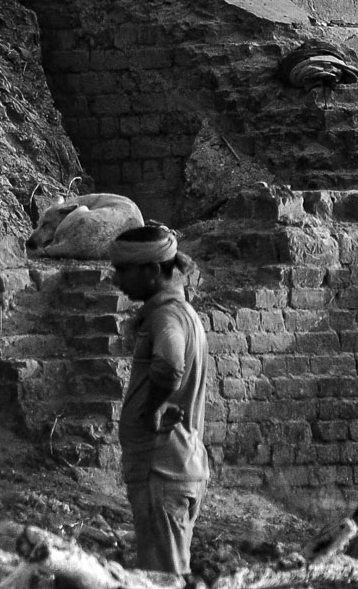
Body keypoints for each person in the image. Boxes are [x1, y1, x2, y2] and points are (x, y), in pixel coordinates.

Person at [111, 224, 212, 575]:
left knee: (163, 580)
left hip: (162, 469)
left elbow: (169, 366)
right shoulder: (185, 314)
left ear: (153, 271)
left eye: (124, 270)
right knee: (173, 573)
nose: (116, 279)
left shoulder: (165, 316)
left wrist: (152, 411)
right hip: (177, 467)